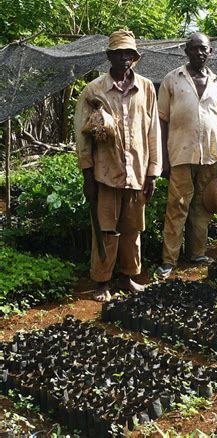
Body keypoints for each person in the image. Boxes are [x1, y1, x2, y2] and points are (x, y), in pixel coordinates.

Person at [75, 30, 161, 302]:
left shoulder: (146, 88)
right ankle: (101, 281)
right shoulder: (94, 91)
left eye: (129, 54)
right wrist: (88, 175)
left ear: (134, 58)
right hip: (106, 173)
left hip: (136, 173)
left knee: (133, 229)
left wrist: (153, 172)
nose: (124, 58)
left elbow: (153, 131)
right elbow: (82, 136)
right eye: (119, 53)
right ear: (109, 56)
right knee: (105, 229)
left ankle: (128, 276)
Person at [157, 33, 217, 278]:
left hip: (209, 155)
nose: (200, 53)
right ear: (186, 51)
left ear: (211, 52)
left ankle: (197, 252)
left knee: (202, 206)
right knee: (177, 207)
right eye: (195, 48)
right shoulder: (172, 79)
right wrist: (164, 159)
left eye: (204, 49)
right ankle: (169, 260)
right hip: (180, 154)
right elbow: (162, 121)